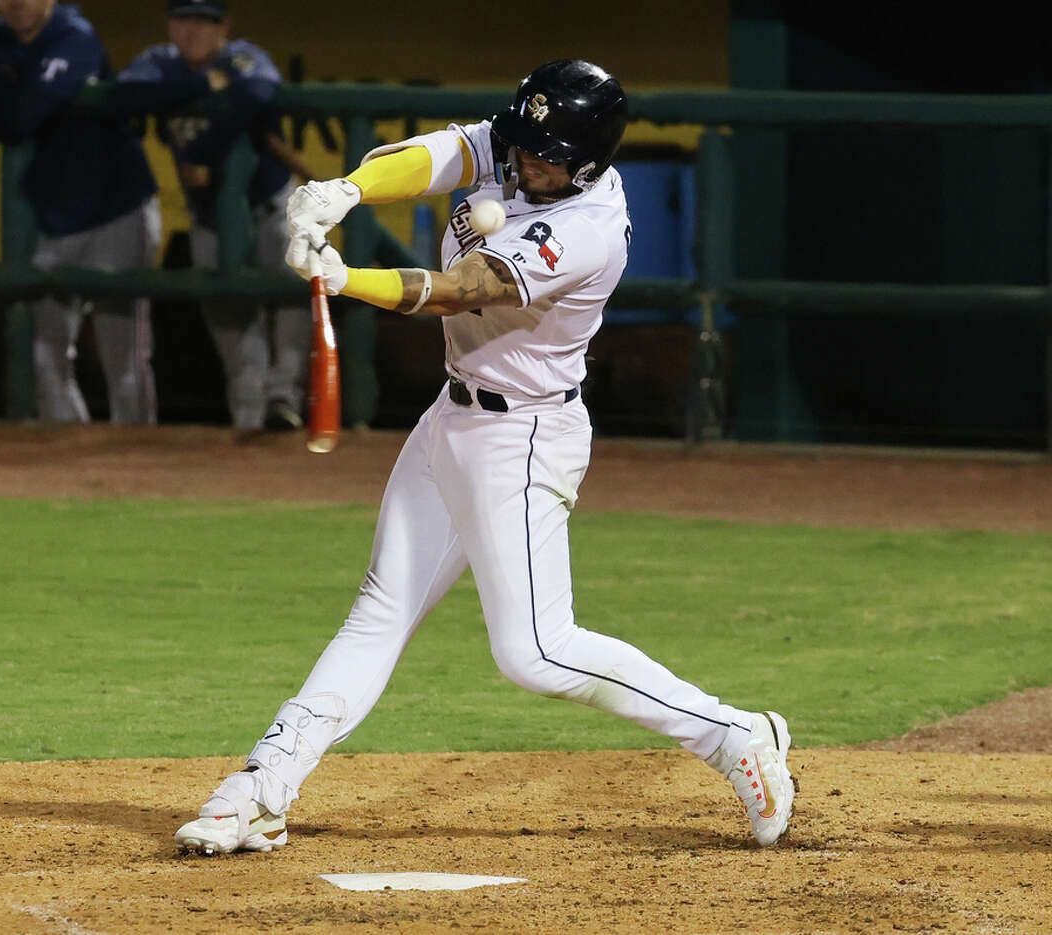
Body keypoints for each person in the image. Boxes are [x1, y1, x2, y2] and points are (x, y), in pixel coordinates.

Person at [174, 60, 797, 855]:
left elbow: (464, 287)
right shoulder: (521, 147)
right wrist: (348, 189)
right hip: (452, 417)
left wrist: (345, 276)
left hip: (525, 440)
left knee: (535, 651)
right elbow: (442, 154)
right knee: (379, 609)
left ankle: (733, 733)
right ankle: (261, 788)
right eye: (523, 144)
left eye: (546, 155)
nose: (525, 161)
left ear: (588, 162)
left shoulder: (586, 228)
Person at [116, 0, 313, 441]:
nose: (192, 32)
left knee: (292, 300)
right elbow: (124, 94)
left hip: (270, 204)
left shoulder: (244, 56)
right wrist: (205, 84)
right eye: (183, 20)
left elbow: (260, 89)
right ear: (169, 24)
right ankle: (249, 416)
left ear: (224, 26)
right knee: (230, 321)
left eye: (204, 22)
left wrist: (201, 149)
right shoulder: (158, 61)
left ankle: (284, 399)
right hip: (208, 217)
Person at [0, 0, 160, 425]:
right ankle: (70, 455)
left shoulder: (75, 33)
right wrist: (16, 90)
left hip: (117, 209)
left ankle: (139, 460)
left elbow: (23, 116)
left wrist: (3, 84)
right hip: (53, 219)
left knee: (123, 354)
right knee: (44, 350)